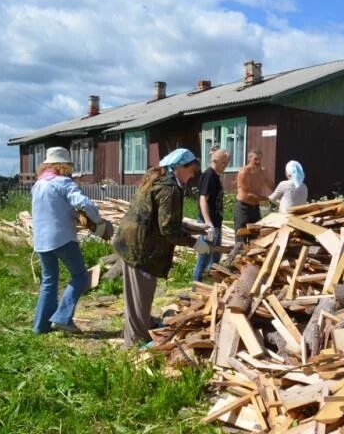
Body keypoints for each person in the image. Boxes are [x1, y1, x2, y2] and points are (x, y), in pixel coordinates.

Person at [113, 148, 211, 347]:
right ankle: (135, 345)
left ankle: (138, 332)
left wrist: (193, 229)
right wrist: (194, 243)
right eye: (191, 171)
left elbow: (162, 220)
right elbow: (167, 228)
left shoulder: (160, 180)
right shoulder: (169, 189)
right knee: (140, 299)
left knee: (137, 299)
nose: (192, 177)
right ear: (180, 167)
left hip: (135, 244)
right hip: (142, 250)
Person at [31, 146, 113, 334]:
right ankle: (62, 317)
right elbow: (84, 203)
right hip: (62, 238)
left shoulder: (38, 185)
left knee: (49, 281)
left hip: (41, 240)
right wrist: (98, 221)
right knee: (81, 276)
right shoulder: (63, 183)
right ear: (64, 166)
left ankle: (41, 326)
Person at [193, 148, 230, 281]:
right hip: (207, 224)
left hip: (216, 222)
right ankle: (195, 290)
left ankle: (209, 287)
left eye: (227, 163)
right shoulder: (209, 175)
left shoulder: (215, 176)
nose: (225, 166)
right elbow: (203, 199)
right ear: (215, 160)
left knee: (215, 258)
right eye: (223, 163)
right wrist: (208, 223)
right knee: (203, 257)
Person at [234, 150, 272, 241]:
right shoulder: (244, 172)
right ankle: (240, 254)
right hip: (243, 208)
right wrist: (267, 199)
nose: (258, 162)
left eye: (260, 159)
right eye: (256, 159)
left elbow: (272, 186)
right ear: (249, 159)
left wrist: (284, 190)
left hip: (256, 208)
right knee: (241, 236)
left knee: (255, 236)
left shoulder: (263, 172)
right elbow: (247, 195)